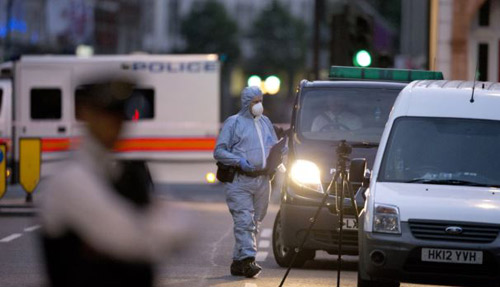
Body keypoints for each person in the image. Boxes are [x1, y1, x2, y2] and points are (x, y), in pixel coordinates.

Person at [39, 78, 190, 287]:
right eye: (104, 114)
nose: (114, 124)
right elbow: (130, 240)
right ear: (84, 114)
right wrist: (156, 225)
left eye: (119, 116)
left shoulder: (117, 170)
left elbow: (183, 228)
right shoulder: (71, 177)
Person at [214, 86, 278, 278]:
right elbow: (219, 151)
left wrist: (279, 158)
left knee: (254, 221)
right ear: (246, 103)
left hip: (263, 179)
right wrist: (239, 161)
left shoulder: (265, 122)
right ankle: (249, 260)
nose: (259, 105)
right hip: (240, 181)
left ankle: (237, 262)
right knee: (244, 221)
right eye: (255, 102)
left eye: (260, 101)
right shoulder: (233, 123)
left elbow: (274, 145)